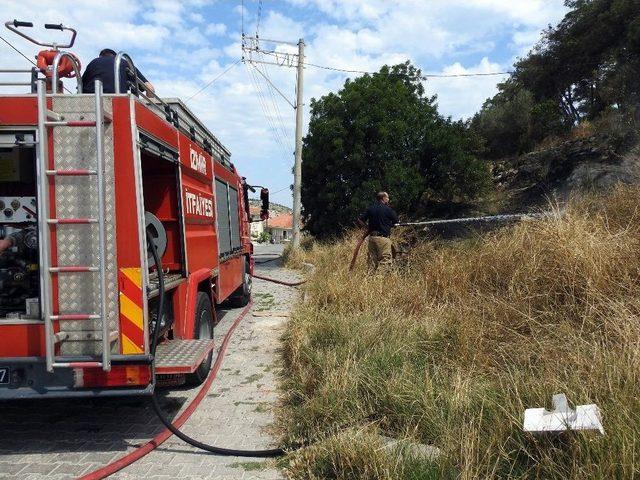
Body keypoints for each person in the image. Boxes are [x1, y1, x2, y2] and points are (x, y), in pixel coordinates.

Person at [82, 48, 154, 94]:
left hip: (90, 102)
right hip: (118, 101)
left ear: (100, 57)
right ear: (115, 56)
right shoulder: (123, 62)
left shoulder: (93, 63)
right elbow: (150, 88)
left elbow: (80, 85)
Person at [358, 191, 398, 272]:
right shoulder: (388, 209)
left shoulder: (370, 208)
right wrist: (390, 224)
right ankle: (379, 279)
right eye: (387, 197)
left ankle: (370, 281)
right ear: (383, 198)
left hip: (372, 239)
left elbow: (360, 220)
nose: (388, 199)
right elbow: (396, 221)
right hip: (383, 239)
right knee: (385, 261)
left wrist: (366, 228)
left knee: (372, 262)